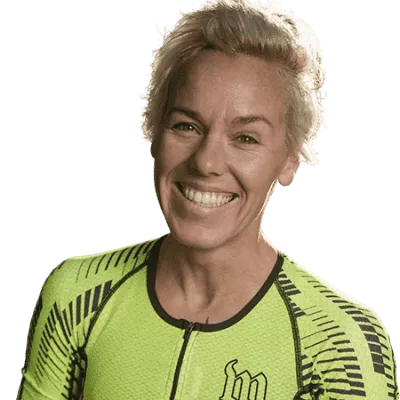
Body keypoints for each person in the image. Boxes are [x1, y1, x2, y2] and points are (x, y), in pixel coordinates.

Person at [17, 0, 399, 398]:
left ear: (289, 159)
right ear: (154, 132)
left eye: (246, 138)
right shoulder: (77, 296)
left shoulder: (341, 340)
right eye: (186, 126)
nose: (206, 161)